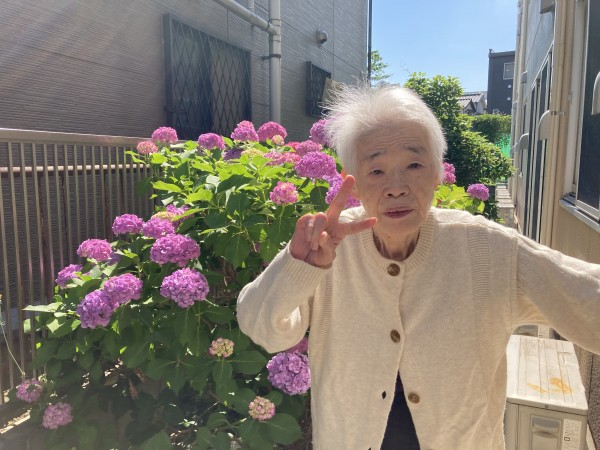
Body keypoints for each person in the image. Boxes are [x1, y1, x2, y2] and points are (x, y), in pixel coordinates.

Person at [236, 83, 600, 449]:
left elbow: (587, 300)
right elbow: (263, 329)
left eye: (413, 165)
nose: (396, 187)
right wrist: (299, 267)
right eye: (376, 170)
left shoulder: (487, 250)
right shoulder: (329, 244)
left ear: (437, 173)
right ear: (354, 183)